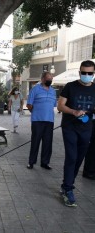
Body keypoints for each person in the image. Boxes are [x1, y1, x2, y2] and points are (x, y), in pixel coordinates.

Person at [57, 60, 95, 207]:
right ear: (79, 73)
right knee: (72, 157)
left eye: (90, 73)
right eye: (84, 73)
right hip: (69, 127)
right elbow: (60, 105)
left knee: (79, 158)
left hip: (87, 128)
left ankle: (66, 184)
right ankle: (68, 189)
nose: (87, 75)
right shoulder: (70, 86)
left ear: (93, 74)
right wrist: (73, 111)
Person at [26, 71, 57, 170]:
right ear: (43, 79)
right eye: (48, 78)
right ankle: (31, 162)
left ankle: (45, 162)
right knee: (35, 141)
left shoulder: (53, 91)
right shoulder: (35, 89)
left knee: (48, 143)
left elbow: (54, 105)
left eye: (51, 79)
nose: (50, 80)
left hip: (49, 120)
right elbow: (29, 105)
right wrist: (36, 113)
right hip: (37, 120)